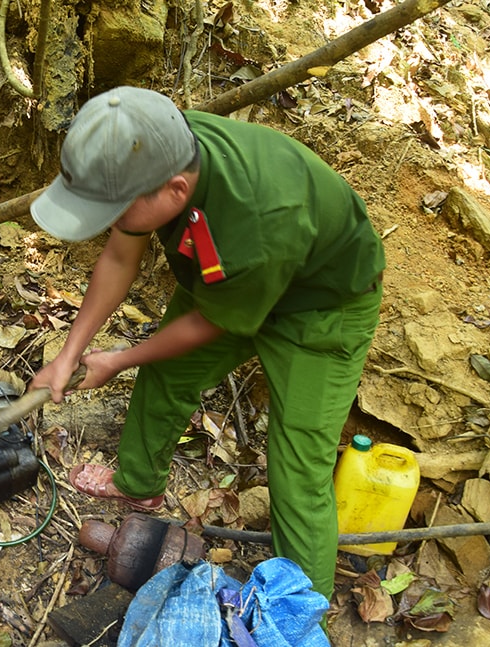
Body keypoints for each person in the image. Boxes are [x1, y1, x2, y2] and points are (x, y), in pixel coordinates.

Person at [27, 85, 385, 600]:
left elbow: (212, 324)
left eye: (114, 210)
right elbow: (119, 257)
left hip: (321, 307)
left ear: (174, 192)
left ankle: (298, 620)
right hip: (232, 281)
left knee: (298, 469)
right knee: (167, 373)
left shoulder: (259, 220)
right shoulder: (154, 149)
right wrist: (68, 355)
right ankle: (139, 483)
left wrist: (119, 359)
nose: (109, 222)